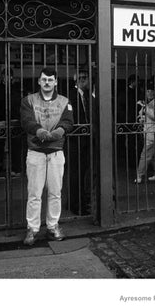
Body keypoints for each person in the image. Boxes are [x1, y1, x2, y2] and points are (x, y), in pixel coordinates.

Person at [20, 67, 74, 246]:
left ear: (56, 82)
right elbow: (27, 121)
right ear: (39, 81)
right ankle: (32, 228)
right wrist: (40, 131)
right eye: (44, 80)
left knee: (55, 192)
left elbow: (68, 121)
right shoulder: (28, 100)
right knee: (34, 193)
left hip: (56, 151)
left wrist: (59, 131)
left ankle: (53, 226)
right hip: (36, 151)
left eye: (50, 80)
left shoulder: (64, 101)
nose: (47, 83)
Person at [67, 69, 98, 215]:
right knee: (76, 173)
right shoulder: (70, 95)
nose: (89, 82)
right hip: (76, 139)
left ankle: (82, 201)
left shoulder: (86, 95)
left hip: (86, 139)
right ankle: (76, 204)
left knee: (84, 172)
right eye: (86, 79)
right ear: (81, 80)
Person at [0, 67, 24, 177]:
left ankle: (16, 167)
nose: (7, 78)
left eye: (9, 76)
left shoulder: (15, 88)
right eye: (5, 76)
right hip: (0, 120)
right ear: (2, 77)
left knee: (15, 145)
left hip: (14, 119)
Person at [135, 82, 155, 183]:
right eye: (147, 91)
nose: (148, 93)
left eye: (150, 91)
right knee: (153, 155)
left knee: (145, 155)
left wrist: (145, 106)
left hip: (153, 133)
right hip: (151, 132)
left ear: (154, 92)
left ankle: (139, 175)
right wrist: (142, 118)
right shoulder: (151, 103)